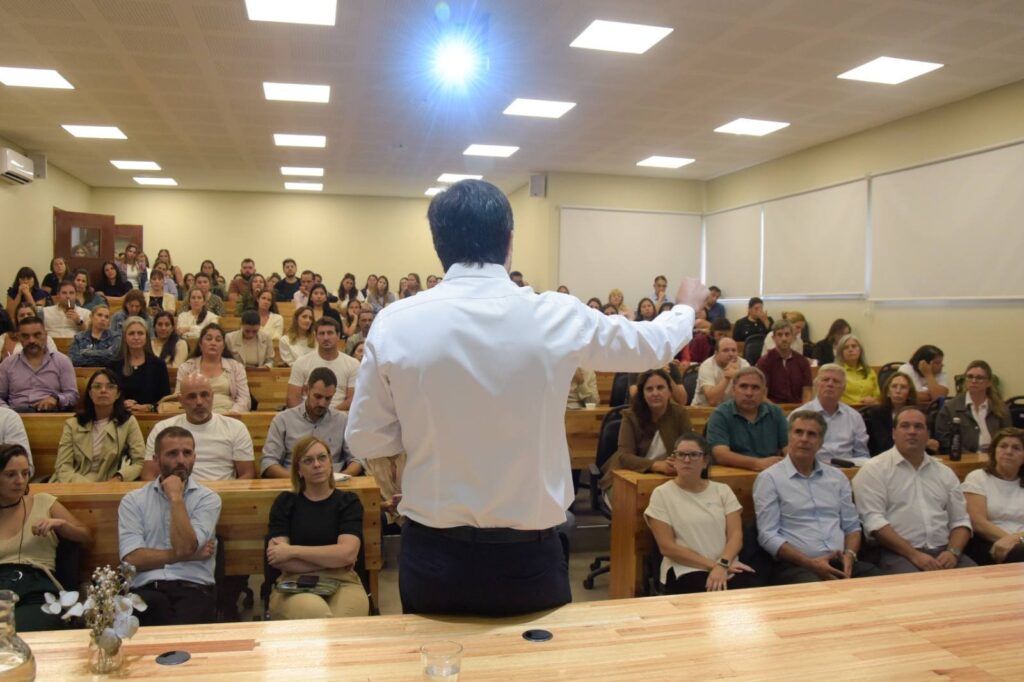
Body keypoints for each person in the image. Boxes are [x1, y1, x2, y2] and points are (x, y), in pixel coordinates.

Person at [347, 179, 705, 616]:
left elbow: (366, 438)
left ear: (438, 244)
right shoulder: (555, 315)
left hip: (433, 551)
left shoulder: (395, 322)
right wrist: (686, 306)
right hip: (528, 557)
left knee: (437, 657)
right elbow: (652, 345)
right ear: (510, 241)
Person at [754, 411, 881, 583]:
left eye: (812, 434)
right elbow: (768, 535)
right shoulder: (769, 479)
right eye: (798, 432)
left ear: (821, 442)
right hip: (796, 565)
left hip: (841, 561)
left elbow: (852, 527)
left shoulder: (837, 477)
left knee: (882, 583)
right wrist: (810, 563)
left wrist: (850, 555)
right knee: (818, 589)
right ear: (789, 437)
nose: (804, 439)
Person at [852, 405, 975, 574]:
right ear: (894, 433)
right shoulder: (874, 470)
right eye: (905, 426)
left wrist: (953, 552)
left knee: (979, 581)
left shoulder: (945, 472)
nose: (912, 431)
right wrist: (914, 555)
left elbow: (960, 521)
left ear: (928, 434)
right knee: (921, 585)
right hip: (895, 553)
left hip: (945, 552)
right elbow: (874, 522)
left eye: (918, 427)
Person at [119, 426, 221, 625]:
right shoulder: (133, 501)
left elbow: (184, 547)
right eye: (172, 454)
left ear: (195, 457)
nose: (181, 460)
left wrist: (175, 497)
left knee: (185, 632)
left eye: (187, 453)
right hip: (146, 589)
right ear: (156, 459)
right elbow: (132, 559)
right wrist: (189, 555)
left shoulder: (208, 499)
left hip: (193, 587)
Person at [267, 435, 369, 620]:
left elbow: (347, 554)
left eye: (322, 457)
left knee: (344, 624)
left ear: (330, 463)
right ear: (298, 469)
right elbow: (279, 559)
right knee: (318, 615)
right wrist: (333, 558)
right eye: (308, 460)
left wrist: (293, 551)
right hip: (294, 583)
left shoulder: (348, 502)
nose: (317, 464)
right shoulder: (285, 502)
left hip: (344, 581)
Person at [644, 433, 755, 594]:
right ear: (674, 460)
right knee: (712, 594)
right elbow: (667, 547)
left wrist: (723, 564)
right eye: (681, 454)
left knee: (751, 590)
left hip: (727, 564)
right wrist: (715, 566)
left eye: (694, 455)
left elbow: (735, 536)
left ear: (705, 461)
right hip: (685, 569)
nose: (686, 460)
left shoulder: (722, 491)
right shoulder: (662, 494)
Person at [0, 443, 92, 631]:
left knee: (20, 629)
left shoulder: (43, 501)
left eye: (25, 473)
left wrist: (61, 525)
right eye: (11, 475)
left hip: (37, 588)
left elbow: (86, 537)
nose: (20, 481)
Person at [598, 368, 692, 496]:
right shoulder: (630, 416)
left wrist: (677, 461)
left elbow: (690, 447)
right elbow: (624, 456)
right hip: (626, 475)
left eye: (660, 388)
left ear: (670, 391)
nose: (655, 393)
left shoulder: (680, 413)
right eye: (649, 389)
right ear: (642, 394)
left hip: (668, 476)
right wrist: (657, 465)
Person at [144, 373, 255, 481]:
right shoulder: (162, 429)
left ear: (212, 396)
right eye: (191, 397)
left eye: (204, 395)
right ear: (181, 401)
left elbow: (247, 474)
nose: (199, 402)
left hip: (223, 491)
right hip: (175, 491)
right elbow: (149, 475)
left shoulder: (235, 428)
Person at [262, 368, 362, 478]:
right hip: (294, 483)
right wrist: (298, 481)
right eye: (318, 396)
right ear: (307, 390)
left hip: (334, 483)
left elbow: (357, 460)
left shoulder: (343, 421)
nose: (322, 403)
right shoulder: (283, 420)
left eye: (328, 398)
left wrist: (341, 477)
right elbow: (268, 463)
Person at [53, 369, 145, 482]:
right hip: (74, 482)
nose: (103, 390)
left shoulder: (128, 422)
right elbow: (63, 466)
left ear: (118, 394)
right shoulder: (72, 424)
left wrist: (119, 477)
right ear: (90, 393)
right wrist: (88, 487)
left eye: (110, 387)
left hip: (111, 483)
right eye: (97, 386)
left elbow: (139, 462)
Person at [706, 367, 788, 471]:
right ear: (733, 390)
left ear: (764, 392)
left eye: (755, 388)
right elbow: (721, 455)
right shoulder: (720, 414)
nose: (749, 393)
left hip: (771, 472)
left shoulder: (776, 412)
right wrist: (757, 463)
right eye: (743, 386)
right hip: (732, 474)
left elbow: (789, 448)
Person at [961, 428, 1024, 564]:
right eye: (1003, 446)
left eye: (1016, 448)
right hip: (988, 543)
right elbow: (978, 523)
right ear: (994, 451)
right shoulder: (978, 477)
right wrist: (1010, 540)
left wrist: (1017, 539)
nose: (1008, 451)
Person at [794, 364, 869, 465]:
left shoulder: (854, 417)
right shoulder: (799, 415)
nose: (830, 384)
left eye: (836, 381)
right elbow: (794, 453)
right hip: (812, 469)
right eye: (825, 380)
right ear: (816, 385)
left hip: (847, 469)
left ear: (843, 388)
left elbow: (862, 454)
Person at [0, 316, 78, 413]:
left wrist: (56, 399)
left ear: (45, 335)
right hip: (17, 414)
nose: (31, 340)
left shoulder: (62, 361)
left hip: (50, 414)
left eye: (37, 335)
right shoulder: (8, 364)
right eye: (25, 336)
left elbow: (72, 395)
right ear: (19, 337)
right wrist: (8, 412)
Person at [934, 360, 1010, 454]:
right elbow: (944, 441)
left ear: (989, 382)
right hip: (964, 459)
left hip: (994, 457)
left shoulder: (1000, 408)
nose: (974, 381)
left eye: (979, 378)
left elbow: (1007, 438)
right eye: (970, 377)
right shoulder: (950, 408)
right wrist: (972, 457)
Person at [175, 324, 250, 414]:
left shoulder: (236, 367)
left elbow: (244, 398)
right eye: (209, 339)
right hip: (196, 415)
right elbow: (179, 396)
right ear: (200, 344)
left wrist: (233, 413)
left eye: (218, 340)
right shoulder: (186, 367)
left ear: (223, 346)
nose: (213, 343)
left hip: (229, 414)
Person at [287, 318, 358, 412]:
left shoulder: (353, 364)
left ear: (338, 336)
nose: (326, 338)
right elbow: (292, 398)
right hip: (307, 415)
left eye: (330, 333)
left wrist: (328, 415)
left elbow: (352, 399)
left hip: (340, 415)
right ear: (316, 336)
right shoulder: (301, 362)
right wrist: (307, 416)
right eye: (321, 333)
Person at [108, 317, 171, 414]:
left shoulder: (159, 365)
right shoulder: (113, 365)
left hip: (151, 417)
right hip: (121, 416)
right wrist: (121, 404)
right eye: (131, 333)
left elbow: (165, 399)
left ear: (147, 337)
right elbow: (108, 395)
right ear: (124, 337)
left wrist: (149, 407)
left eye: (140, 333)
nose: (136, 337)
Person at [755, 319, 812, 405]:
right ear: (774, 338)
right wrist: (778, 411)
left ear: (792, 337)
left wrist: (803, 409)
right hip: (772, 408)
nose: (784, 338)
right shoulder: (764, 362)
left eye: (787, 334)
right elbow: (762, 396)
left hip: (798, 408)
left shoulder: (803, 361)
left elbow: (807, 392)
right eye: (780, 335)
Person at [862, 372, 917, 457]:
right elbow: (883, 445)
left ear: (909, 393)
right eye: (894, 386)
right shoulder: (876, 414)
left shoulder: (917, 415)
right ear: (888, 392)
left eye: (903, 387)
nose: (898, 391)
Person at [692, 337, 748, 407]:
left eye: (734, 350)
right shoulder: (707, 366)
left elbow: (749, 394)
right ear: (716, 353)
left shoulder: (744, 365)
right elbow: (712, 401)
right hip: (703, 410)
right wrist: (727, 377)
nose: (731, 354)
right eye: (726, 350)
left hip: (731, 409)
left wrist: (737, 377)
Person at [835, 334, 880, 405]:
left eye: (854, 346)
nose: (850, 349)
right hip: (845, 410)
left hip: (869, 409)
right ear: (841, 353)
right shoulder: (835, 372)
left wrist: (873, 400)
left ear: (860, 350)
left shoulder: (869, 371)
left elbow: (878, 396)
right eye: (846, 347)